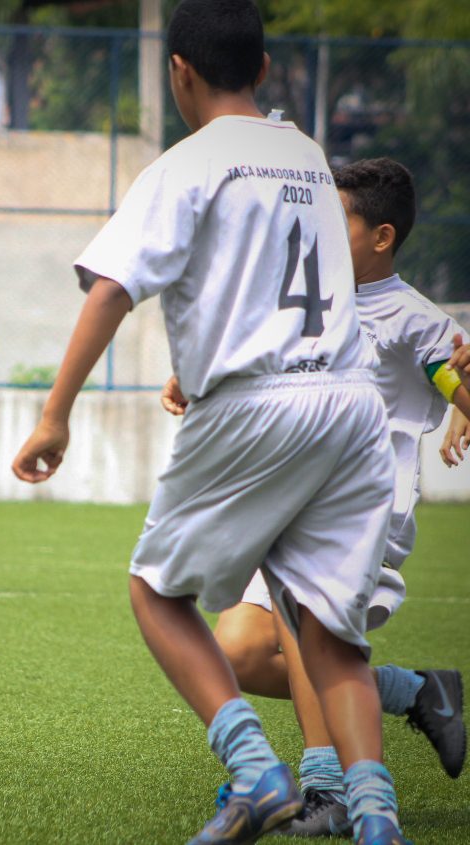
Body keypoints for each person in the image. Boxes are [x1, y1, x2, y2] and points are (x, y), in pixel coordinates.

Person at [12, 2, 412, 842]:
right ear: (264, 70)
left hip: (257, 400)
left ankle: (255, 770)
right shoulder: (305, 155)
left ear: (178, 71)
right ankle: (377, 818)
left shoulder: (185, 167)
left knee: (156, 590)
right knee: (329, 630)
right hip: (350, 404)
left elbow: (112, 289)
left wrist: (55, 414)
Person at [203, 158, 469, 836]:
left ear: (382, 237)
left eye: (336, 221)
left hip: (363, 512)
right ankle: (414, 691)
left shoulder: (415, 323)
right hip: (297, 498)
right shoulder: (313, 300)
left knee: (298, 626)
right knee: (238, 647)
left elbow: (455, 385)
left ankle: (330, 787)